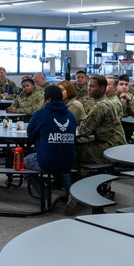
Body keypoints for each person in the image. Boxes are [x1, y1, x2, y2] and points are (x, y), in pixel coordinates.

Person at [24, 85, 78, 216]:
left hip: (48, 161)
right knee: (57, 161)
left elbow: (30, 134)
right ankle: (73, 194)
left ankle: (48, 194)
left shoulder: (41, 114)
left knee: (24, 164)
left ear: (47, 99)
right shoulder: (70, 115)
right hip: (69, 161)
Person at [75, 75, 124, 176]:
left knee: (72, 148)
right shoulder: (104, 102)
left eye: (92, 86)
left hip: (109, 147)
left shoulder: (101, 106)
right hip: (112, 143)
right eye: (88, 86)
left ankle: (73, 180)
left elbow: (84, 129)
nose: (88, 89)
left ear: (102, 88)